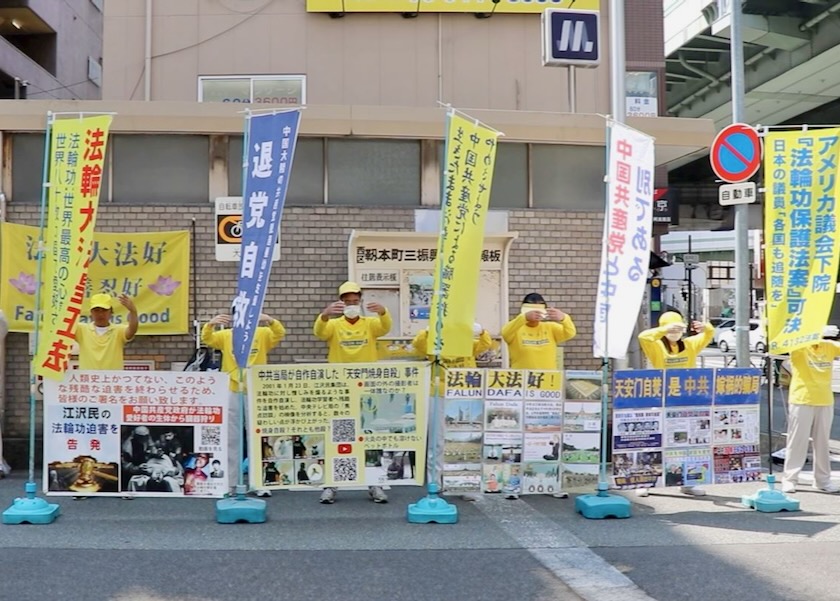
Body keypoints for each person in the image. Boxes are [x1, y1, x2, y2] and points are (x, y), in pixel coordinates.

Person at [314, 281, 390, 504]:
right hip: (340, 389)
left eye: (355, 302)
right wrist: (324, 315)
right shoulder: (334, 325)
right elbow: (319, 333)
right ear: (341, 303)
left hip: (367, 389)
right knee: (339, 436)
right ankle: (331, 485)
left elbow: (384, 328)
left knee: (370, 436)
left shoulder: (370, 324)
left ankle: (375, 483)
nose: (351, 305)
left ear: (361, 302)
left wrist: (384, 312)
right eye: (347, 302)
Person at [201, 306, 285, 497]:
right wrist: (210, 325)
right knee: (232, 438)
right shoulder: (226, 335)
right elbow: (208, 339)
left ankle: (260, 483)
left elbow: (280, 333)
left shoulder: (262, 333)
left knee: (258, 437)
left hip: (256, 390)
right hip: (232, 389)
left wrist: (269, 319)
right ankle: (231, 484)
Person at [637, 311, 713, 497]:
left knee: (687, 443)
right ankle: (645, 481)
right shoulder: (656, 346)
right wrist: (663, 330)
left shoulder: (689, 345)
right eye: (672, 328)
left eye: (678, 328)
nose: (675, 332)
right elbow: (643, 337)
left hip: (687, 400)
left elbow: (709, 335)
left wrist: (707, 327)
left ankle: (688, 482)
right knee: (654, 442)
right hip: (662, 399)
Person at [412, 322, 493, 490]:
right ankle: (435, 481)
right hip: (438, 393)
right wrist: (427, 331)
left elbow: (486, 344)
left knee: (464, 439)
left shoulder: (467, 343)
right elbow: (418, 344)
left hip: (465, 394)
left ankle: (463, 482)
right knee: (437, 440)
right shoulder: (433, 343)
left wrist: (481, 330)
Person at [781, 325, 840, 494]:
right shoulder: (799, 348)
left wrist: (826, 336)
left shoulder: (828, 347)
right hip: (802, 399)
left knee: (822, 442)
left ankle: (822, 481)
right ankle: (790, 479)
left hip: (825, 400)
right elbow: (784, 341)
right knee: (797, 441)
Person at [501, 293, 576, 370]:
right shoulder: (516, 329)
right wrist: (524, 317)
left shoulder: (550, 327)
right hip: (523, 378)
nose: (536, 312)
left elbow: (570, 333)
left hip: (547, 378)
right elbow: (505, 332)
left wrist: (564, 318)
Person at [75, 293, 138, 371]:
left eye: (104, 310)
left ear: (111, 312)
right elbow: (62, 324)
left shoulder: (118, 330)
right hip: (88, 381)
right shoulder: (81, 329)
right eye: (96, 310)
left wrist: (133, 311)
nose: (100, 314)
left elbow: (132, 330)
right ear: (91, 313)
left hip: (112, 380)